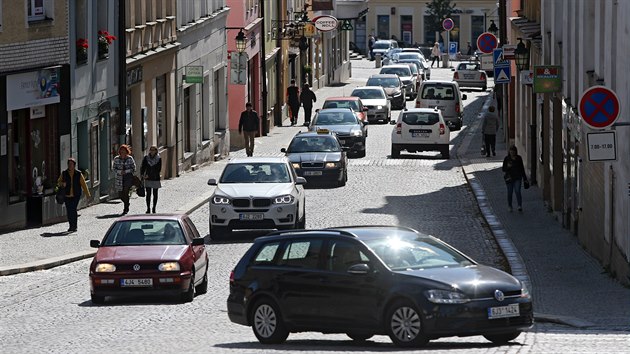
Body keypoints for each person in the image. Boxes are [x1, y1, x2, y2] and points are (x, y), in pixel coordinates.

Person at [57, 157, 91, 232]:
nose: (70, 165)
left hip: (76, 195)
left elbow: (84, 185)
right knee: (69, 211)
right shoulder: (64, 173)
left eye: (71, 164)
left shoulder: (78, 174)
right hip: (67, 195)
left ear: (74, 165)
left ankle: (74, 225)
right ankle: (71, 226)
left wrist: (88, 195)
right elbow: (58, 182)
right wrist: (62, 184)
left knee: (73, 209)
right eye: (69, 164)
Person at [502, 145, 529, 213]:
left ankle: (519, 205)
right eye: (511, 151)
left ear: (515, 152)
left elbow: (522, 169)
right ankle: (510, 206)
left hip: (517, 177)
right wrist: (508, 167)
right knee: (510, 192)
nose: (512, 153)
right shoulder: (507, 159)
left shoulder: (519, 158)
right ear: (509, 152)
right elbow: (503, 169)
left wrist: (525, 178)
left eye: (513, 151)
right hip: (509, 178)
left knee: (517, 191)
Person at [113, 144, 136, 215]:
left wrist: (126, 171)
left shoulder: (130, 158)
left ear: (126, 152)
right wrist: (119, 172)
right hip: (119, 178)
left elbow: (133, 168)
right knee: (121, 194)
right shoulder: (116, 158)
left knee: (125, 192)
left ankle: (125, 209)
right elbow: (114, 168)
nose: (122, 153)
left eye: (124, 151)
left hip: (128, 178)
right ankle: (127, 203)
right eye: (121, 151)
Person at [140, 145, 162, 214]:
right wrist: (143, 175)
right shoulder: (146, 158)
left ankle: (154, 208)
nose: (152, 151)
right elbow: (143, 167)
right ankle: (148, 208)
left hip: (155, 178)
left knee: (155, 194)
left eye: (153, 150)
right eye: (151, 150)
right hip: (147, 178)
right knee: (148, 194)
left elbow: (158, 169)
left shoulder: (159, 158)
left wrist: (151, 175)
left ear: (156, 151)